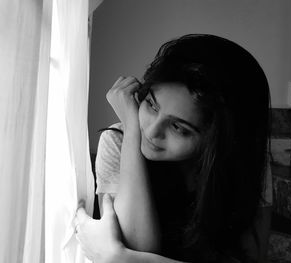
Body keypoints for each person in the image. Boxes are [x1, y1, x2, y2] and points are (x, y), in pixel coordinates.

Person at [73, 34, 273, 263]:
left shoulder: (243, 162)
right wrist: (131, 129)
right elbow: (137, 245)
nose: (151, 131)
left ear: (218, 139)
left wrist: (118, 257)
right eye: (150, 104)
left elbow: (250, 258)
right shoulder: (120, 140)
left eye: (178, 127)